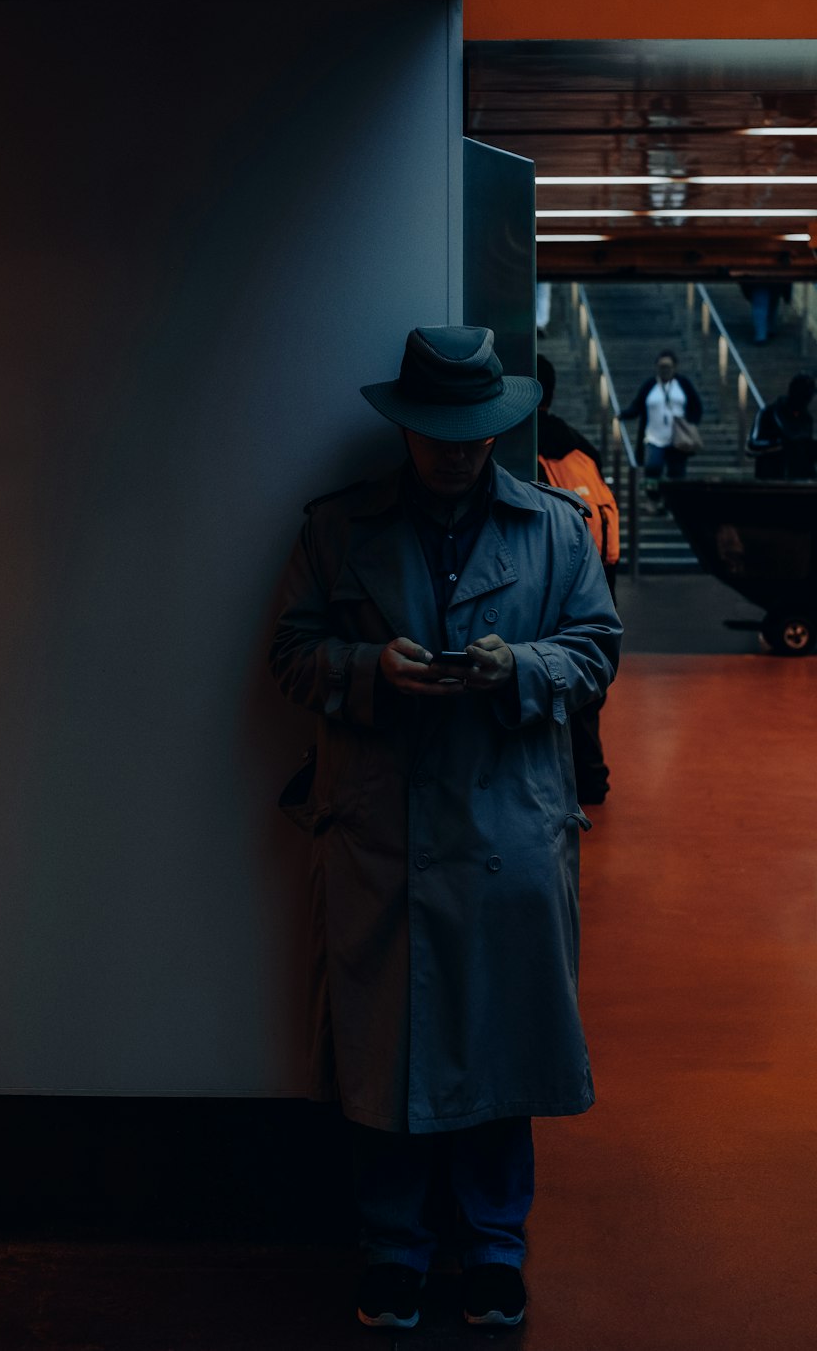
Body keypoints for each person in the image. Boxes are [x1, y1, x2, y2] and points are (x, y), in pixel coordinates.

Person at [269, 326, 622, 1332]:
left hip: (510, 825)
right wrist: (368, 670)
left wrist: (522, 670)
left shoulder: (554, 528)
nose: (457, 453)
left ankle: (494, 1247)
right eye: (437, 435)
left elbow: (596, 650)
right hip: (382, 831)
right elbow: (291, 653)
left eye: (473, 436)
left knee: (502, 1043)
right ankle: (394, 1248)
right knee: (386, 1049)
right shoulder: (339, 530)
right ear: (406, 430)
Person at [535, 354, 618, 805]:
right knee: (585, 684)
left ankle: (558, 783)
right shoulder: (584, 447)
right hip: (600, 576)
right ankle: (592, 776)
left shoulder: (518, 446)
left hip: (550, 579)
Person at [619, 350, 703, 512]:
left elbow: (696, 406)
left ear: (675, 367)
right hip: (654, 437)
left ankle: (672, 503)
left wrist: (690, 423)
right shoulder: (650, 385)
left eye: (668, 367)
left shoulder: (683, 384)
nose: (664, 370)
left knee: (677, 473)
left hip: (677, 438)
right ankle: (653, 498)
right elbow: (637, 406)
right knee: (652, 469)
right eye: (661, 367)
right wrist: (624, 415)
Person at [746, 373, 817, 479]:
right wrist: (781, 444)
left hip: (800, 482)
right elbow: (751, 447)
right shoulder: (768, 414)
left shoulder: (806, 419)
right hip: (771, 481)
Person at [738, 279, 792, 345]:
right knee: (773, 299)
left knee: (760, 302)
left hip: (756, 279)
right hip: (777, 280)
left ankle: (761, 334)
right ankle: (769, 328)